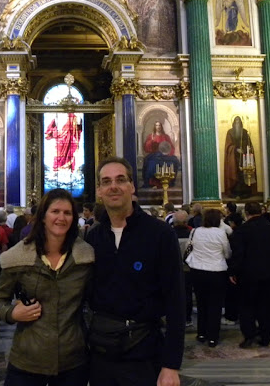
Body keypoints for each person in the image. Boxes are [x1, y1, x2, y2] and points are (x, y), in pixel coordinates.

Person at [86, 157, 185, 386]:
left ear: (132, 186)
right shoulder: (94, 236)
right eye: (106, 181)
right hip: (101, 354)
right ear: (99, 190)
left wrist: (171, 365)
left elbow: (176, 301)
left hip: (144, 353)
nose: (114, 186)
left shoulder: (160, 234)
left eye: (121, 180)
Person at [0, 188, 95, 385]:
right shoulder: (18, 257)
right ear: (43, 217)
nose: (61, 218)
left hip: (72, 359)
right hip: (28, 359)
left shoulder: (86, 257)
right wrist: (12, 313)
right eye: (55, 211)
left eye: (67, 212)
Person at [229, 202, 270, 349]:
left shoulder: (242, 231)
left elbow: (238, 255)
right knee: (268, 307)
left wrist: (233, 272)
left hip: (248, 275)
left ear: (246, 213)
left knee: (247, 306)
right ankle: (266, 337)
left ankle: (249, 335)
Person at [186, 209, 231, 347]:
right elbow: (227, 252)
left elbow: (189, 247)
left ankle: (201, 333)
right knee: (215, 305)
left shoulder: (195, 231)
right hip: (216, 271)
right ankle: (212, 337)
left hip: (198, 270)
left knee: (201, 303)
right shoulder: (221, 233)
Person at [223, 116, 256, 199]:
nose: (237, 123)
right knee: (235, 173)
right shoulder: (230, 132)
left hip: (244, 157)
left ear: (241, 123)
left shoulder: (245, 132)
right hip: (233, 158)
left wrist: (245, 149)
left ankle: (245, 192)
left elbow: (249, 145)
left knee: (244, 173)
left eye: (239, 122)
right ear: (233, 123)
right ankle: (235, 192)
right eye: (236, 122)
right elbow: (228, 146)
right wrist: (235, 149)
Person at [172, 209, 194, 328]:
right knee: (187, 293)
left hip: (173, 269)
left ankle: (174, 318)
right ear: (186, 221)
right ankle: (187, 318)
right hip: (188, 268)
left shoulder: (169, 233)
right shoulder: (192, 233)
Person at [141, 120, 179, 189]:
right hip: (155, 155)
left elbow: (171, 147)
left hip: (165, 155)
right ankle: (151, 182)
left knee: (175, 160)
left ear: (161, 127)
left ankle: (170, 182)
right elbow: (146, 148)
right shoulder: (151, 136)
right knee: (150, 161)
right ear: (155, 127)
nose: (158, 127)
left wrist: (168, 153)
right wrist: (151, 141)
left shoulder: (166, 137)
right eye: (156, 125)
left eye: (159, 125)